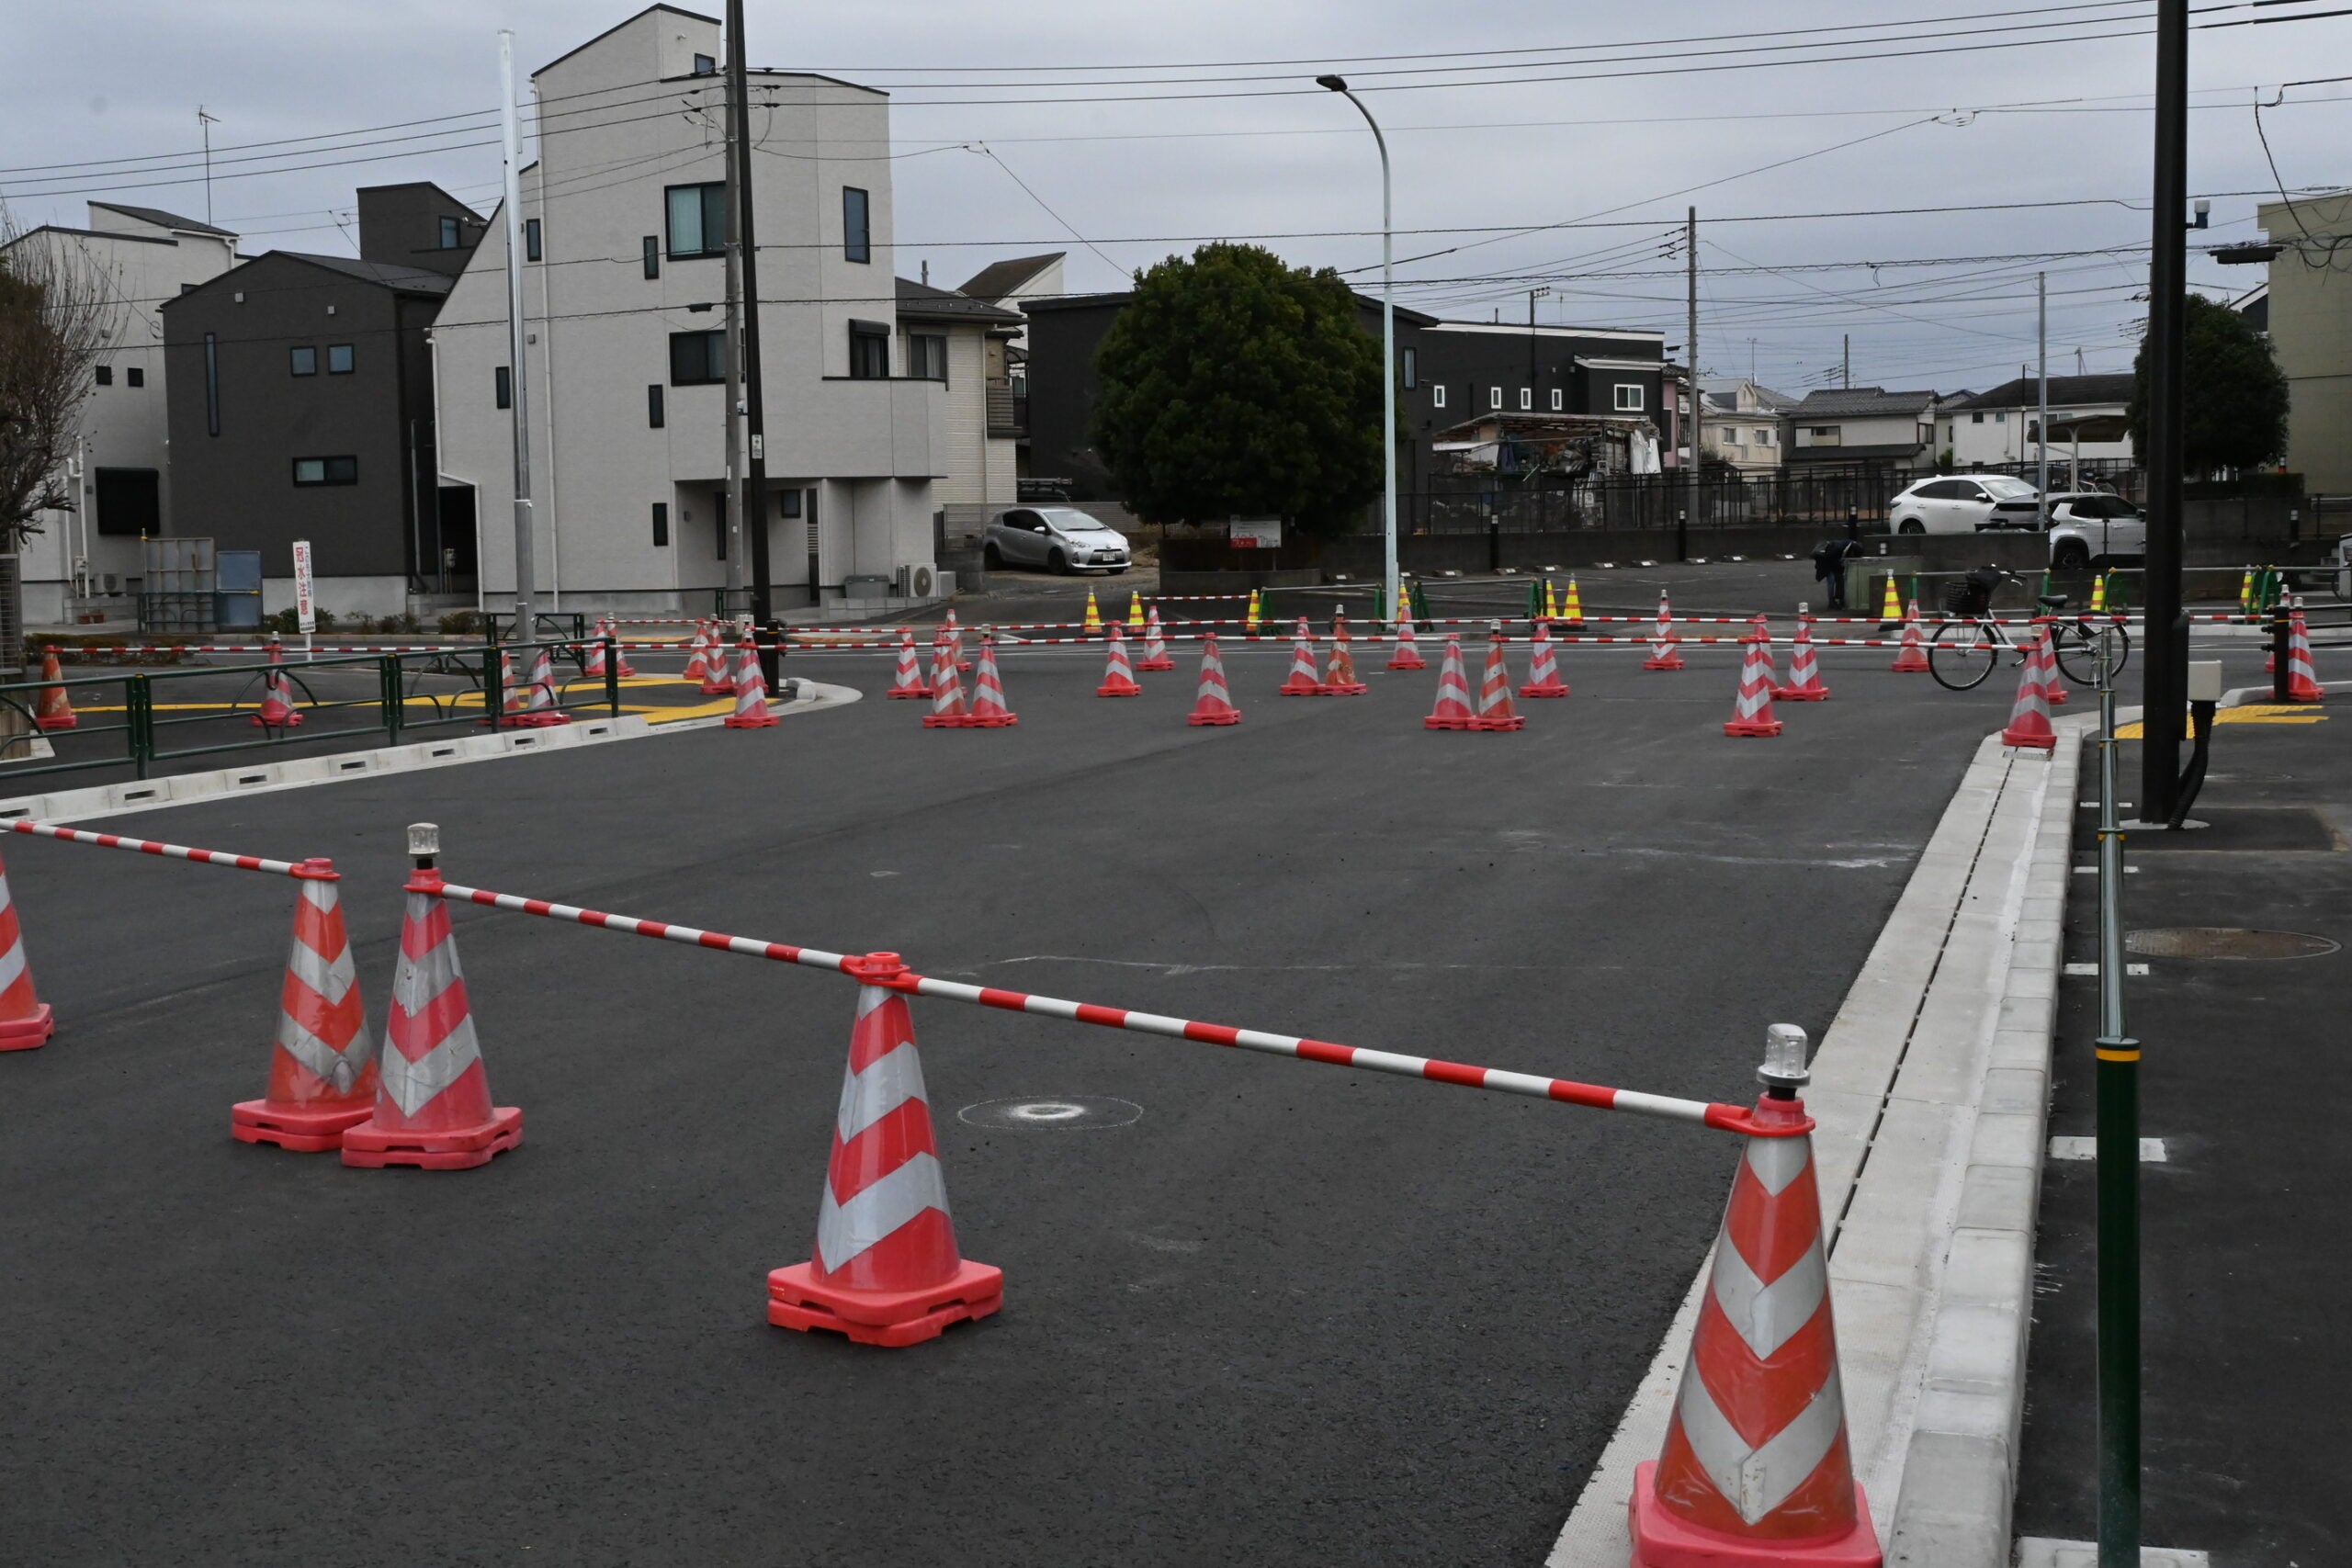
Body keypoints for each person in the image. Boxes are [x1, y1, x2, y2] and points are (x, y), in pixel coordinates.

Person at [1812, 537, 1857, 610]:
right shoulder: (1839, 548)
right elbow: (1829, 558)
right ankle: (1832, 603)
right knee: (1831, 581)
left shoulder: (1846, 545)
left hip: (1830, 562)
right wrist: (1839, 565)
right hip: (1826, 564)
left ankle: (1836, 601)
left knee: (1836, 580)